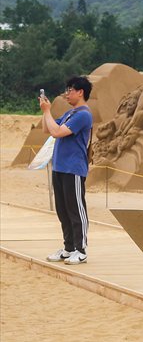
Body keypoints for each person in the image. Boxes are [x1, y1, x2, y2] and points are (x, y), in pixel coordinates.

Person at [40, 77, 94, 265]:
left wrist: (47, 111)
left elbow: (57, 132)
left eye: (70, 89)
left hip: (74, 168)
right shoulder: (70, 113)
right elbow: (48, 128)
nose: (67, 93)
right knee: (63, 210)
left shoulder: (84, 115)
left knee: (76, 209)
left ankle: (81, 249)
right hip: (60, 167)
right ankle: (68, 247)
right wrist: (45, 111)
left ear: (81, 92)